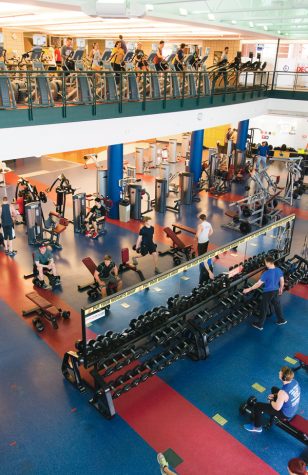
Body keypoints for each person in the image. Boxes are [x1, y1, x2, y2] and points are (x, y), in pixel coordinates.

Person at [244, 366, 301, 433]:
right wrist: (274, 395)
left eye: (280, 372)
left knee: (257, 406)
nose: (279, 372)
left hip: (285, 413)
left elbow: (277, 407)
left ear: (284, 377)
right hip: (292, 407)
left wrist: (271, 401)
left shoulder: (282, 393)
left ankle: (257, 427)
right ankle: (269, 409)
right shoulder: (294, 381)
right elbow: (286, 395)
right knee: (274, 389)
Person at [243, 255, 287, 330]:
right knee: (277, 305)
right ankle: (281, 320)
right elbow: (282, 281)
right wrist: (281, 288)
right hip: (275, 290)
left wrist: (249, 289)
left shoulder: (266, 273)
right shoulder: (278, 270)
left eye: (265, 263)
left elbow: (258, 284)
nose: (265, 264)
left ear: (269, 263)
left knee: (264, 307)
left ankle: (260, 325)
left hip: (268, 292)